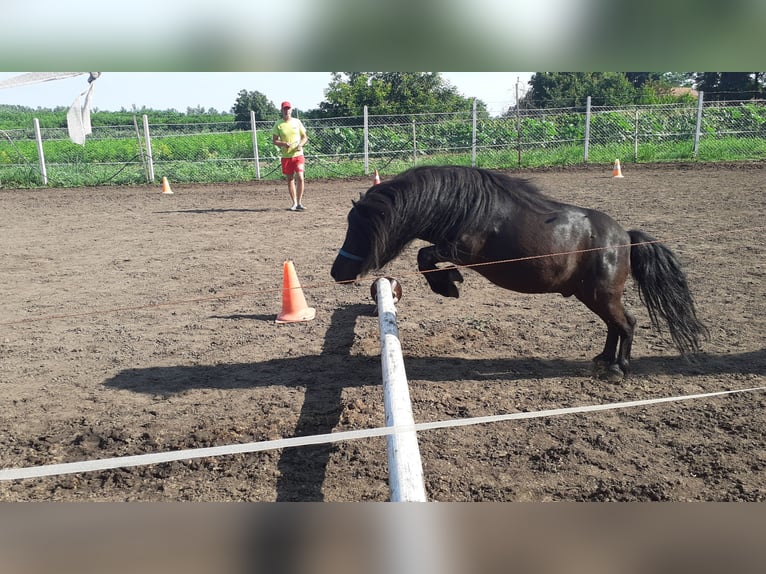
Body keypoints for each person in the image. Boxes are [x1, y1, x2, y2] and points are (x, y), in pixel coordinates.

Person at [271, 101, 308, 211]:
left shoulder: (297, 122)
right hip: (286, 156)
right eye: (284, 109)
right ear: (281, 111)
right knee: (290, 179)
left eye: (288, 109)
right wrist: (283, 144)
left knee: (300, 177)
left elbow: (305, 137)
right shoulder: (278, 124)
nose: (287, 111)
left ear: (291, 110)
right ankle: (294, 203)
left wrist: (300, 145)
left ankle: (300, 202)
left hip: (298, 155)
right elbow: (274, 141)